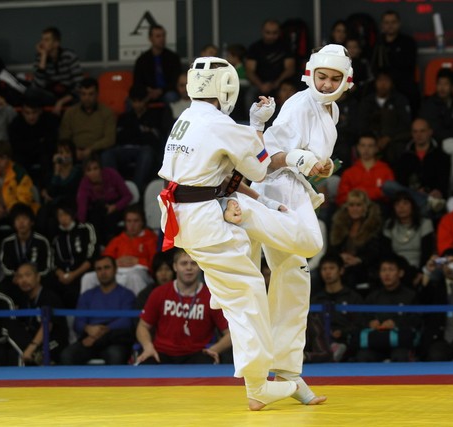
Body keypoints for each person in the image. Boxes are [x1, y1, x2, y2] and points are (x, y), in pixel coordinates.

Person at [157, 56, 301, 410]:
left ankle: (220, 293)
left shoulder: (185, 118)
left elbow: (225, 173)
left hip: (182, 214)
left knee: (236, 269)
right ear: (227, 88)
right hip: (201, 217)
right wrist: (257, 125)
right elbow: (261, 169)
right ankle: (257, 386)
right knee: (249, 292)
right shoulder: (222, 124)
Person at [238, 44, 352, 404]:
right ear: (310, 74)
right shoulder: (299, 105)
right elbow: (266, 159)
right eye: (322, 77)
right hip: (274, 190)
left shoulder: (331, 110)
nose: (327, 83)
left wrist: (323, 166)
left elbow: (315, 159)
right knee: (310, 245)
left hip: (297, 191)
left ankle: (286, 375)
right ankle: (246, 214)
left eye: (334, 78)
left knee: (295, 281)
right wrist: (298, 159)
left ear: (346, 81)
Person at [136, 249, 231, 364]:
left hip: (196, 355)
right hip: (162, 353)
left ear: (200, 266)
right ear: (175, 266)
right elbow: (142, 326)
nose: (189, 268)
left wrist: (214, 349)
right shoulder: (159, 293)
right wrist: (148, 347)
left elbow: (230, 333)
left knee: (207, 360)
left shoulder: (211, 297)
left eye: (194, 263)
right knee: (146, 362)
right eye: (184, 263)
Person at [60, 256, 136, 365]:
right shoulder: (87, 296)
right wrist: (88, 328)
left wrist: (101, 332)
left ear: (115, 269)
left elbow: (127, 321)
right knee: (67, 355)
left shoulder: (127, 295)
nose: (103, 272)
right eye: (99, 269)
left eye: (107, 267)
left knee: (116, 355)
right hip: (89, 339)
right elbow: (78, 323)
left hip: (114, 340)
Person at [102, 85, 172, 193]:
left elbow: (154, 141)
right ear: (130, 101)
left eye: (140, 101)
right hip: (124, 149)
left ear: (146, 99)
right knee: (107, 154)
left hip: (144, 150)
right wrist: (142, 132)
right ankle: (115, 189)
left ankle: (135, 190)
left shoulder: (155, 116)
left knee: (147, 152)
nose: (137, 104)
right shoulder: (124, 117)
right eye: (134, 101)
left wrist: (135, 133)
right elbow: (120, 138)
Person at [81, 204, 157, 296]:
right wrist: (114, 263)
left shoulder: (151, 238)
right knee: (88, 278)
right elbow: (105, 258)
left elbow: (156, 264)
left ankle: (139, 305)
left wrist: (138, 261)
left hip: (140, 273)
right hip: (117, 272)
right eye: (129, 221)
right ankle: (86, 305)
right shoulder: (118, 239)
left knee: (134, 277)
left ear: (142, 222)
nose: (132, 225)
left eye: (136, 221)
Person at [357, 256, 420, 362]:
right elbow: (362, 318)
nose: (387, 274)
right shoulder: (373, 296)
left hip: (401, 342)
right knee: (363, 356)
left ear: (400, 273)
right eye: (383, 270)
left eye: (391, 270)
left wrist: (396, 324)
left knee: (400, 356)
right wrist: (370, 323)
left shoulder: (411, 296)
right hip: (376, 341)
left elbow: (417, 320)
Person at [382, 118, 451, 215]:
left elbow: (443, 183)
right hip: (410, 198)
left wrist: (435, 191)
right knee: (388, 185)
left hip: (432, 197)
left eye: (422, 131)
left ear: (430, 132)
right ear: (412, 134)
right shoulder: (404, 157)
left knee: (432, 206)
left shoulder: (441, 156)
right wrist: (415, 192)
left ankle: (424, 203)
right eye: (415, 132)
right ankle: (424, 201)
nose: (419, 135)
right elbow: (401, 182)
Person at [0, 140, 39, 230]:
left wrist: (6, 210)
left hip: (15, 211)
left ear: (9, 158)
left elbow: (24, 199)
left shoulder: (19, 173)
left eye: (2, 158)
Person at [310, 254, 363, 362]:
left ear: (341, 270)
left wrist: (342, 332)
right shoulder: (315, 299)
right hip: (321, 342)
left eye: (331, 268)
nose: (327, 272)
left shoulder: (353, 297)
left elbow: (360, 323)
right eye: (324, 269)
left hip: (347, 342)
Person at [418, 69, 453, 186]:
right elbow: (435, 130)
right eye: (439, 84)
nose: (442, 88)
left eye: (446, 84)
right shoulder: (429, 104)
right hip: (437, 141)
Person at [329, 189, 385, 290]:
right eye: (351, 205)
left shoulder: (374, 226)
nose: (354, 209)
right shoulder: (339, 225)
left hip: (366, 269)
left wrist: (359, 259)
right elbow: (333, 248)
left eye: (358, 205)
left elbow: (376, 251)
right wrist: (340, 257)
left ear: (365, 207)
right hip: (342, 266)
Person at [0, 203, 52, 307]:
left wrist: (33, 278)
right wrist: (18, 277)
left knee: (49, 283)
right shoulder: (7, 242)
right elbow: (4, 265)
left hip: (36, 279)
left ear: (31, 222)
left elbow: (46, 267)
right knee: (4, 286)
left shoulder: (42, 241)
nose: (21, 222)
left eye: (24, 219)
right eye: (18, 219)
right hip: (15, 279)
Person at [14, 263, 68, 365]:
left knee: (39, 355)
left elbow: (47, 326)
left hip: (54, 340)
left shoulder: (49, 297)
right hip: (35, 341)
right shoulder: (23, 300)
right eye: (20, 276)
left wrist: (32, 347)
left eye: (27, 275)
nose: (23, 280)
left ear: (38, 277)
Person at [75, 154, 133, 244]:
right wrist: (80, 225)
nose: (93, 173)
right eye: (89, 170)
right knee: (95, 217)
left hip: (116, 206)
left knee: (109, 219)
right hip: (98, 209)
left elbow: (128, 196)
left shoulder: (111, 174)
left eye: (95, 168)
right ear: (85, 173)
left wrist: (115, 207)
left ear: (101, 168)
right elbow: (82, 207)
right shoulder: (84, 183)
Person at [381, 192, 436, 287]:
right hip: (395, 268)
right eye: (397, 204)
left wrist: (421, 272)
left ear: (412, 206)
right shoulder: (388, 225)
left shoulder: (425, 223)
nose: (401, 207)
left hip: (419, 267)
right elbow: (387, 252)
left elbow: (427, 253)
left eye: (405, 203)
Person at [356, 70, 412, 163]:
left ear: (391, 83)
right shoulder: (367, 101)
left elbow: (405, 125)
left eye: (386, 80)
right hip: (370, 140)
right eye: (380, 80)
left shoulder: (400, 100)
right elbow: (361, 124)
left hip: (394, 140)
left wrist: (388, 137)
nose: (383, 84)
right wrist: (374, 139)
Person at [371, 10, 419, 113]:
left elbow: (408, 65)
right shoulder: (378, 44)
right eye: (387, 23)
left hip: (402, 84)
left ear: (399, 24)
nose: (390, 25)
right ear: (382, 25)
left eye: (393, 22)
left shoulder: (408, 42)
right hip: (382, 84)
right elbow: (374, 66)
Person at [51, 200, 97, 308]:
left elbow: (91, 257)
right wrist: (60, 274)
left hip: (82, 272)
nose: (63, 218)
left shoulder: (85, 229)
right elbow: (53, 260)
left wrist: (74, 274)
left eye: (66, 214)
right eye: (60, 215)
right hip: (63, 275)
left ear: (72, 214)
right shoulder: (56, 236)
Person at [59, 77, 116, 162]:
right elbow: (64, 137)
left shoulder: (107, 112)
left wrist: (91, 149)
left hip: (97, 152)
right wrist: (73, 150)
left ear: (97, 94)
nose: (87, 98)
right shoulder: (70, 112)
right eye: (83, 94)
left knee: (107, 155)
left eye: (90, 94)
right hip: (74, 152)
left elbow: (110, 139)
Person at [7, 97, 59, 187]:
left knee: (47, 159)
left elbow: (50, 144)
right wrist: (38, 143)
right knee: (17, 161)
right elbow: (16, 146)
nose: (31, 117)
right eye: (27, 113)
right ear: (22, 112)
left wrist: (31, 145)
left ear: (40, 111)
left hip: (43, 155)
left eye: (34, 112)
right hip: (24, 156)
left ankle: (46, 190)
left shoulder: (49, 121)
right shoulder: (16, 124)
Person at [30, 27, 83, 113]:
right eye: (42, 40)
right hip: (51, 96)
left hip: (69, 95)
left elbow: (79, 84)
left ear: (56, 43)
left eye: (46, 40)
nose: (42, 43)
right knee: (31, 93)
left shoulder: (69, 56)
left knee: (83, 95)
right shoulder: (40, 58)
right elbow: (37, 87)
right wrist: (43, 57)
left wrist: (61, 102)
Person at [336, 133, 395, 206]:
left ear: (376, 148)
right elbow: (341, 198)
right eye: (363, 145)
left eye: (370, 146)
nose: (366, 149)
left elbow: (390, 194)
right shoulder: (349, 173)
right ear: (358, 147)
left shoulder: (385, 170)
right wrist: (376, 193)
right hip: (354, 209)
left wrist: (357, 193)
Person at [245, 19, 296, 99]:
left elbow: (290, 69)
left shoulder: (285, 47)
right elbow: (249, 71)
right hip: (259, 85)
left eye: (274, 33)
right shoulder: (255, 48)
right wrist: (261, 85)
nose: (271, 36)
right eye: (268, 32)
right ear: (262, 31)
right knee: (250, 94)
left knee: (288, 91)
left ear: (279, 32)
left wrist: (276, 83)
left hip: (280, 84)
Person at [133, 24, 182, 103]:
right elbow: (138, 82)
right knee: (131, 101)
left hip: (166, 92)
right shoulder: (142, 60)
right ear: (150, 38)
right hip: (147, 93)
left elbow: (176, 81)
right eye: (158, 36)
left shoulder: (173, 58)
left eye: (163, 36)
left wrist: (161, 90)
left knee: (171, 97)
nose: (162, 39)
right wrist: (148, 90)